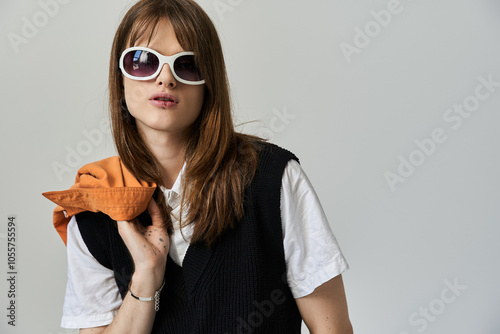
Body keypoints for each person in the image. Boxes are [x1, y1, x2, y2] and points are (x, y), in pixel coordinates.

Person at [45, 0, 353, 333]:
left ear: (209, 83)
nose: (165, 79)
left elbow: (333, 329)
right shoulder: (94, 205)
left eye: (187, 65)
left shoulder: (273, 178)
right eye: (143, 62)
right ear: (120, 79)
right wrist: (146, 278)